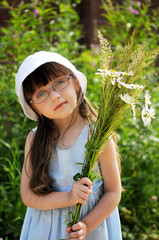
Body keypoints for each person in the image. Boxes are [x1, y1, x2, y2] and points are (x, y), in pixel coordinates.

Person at [15, 51, 122, 240]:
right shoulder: (35, 139)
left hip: (90, 227)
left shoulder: (97, 134)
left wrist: (86, 225)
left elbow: (113, 192)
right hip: (45, 229)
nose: (55, 96)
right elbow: (28, 196)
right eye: (41, 93)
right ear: (33, 107)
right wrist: (68, 198)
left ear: (75, 82)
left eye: (59, 83)